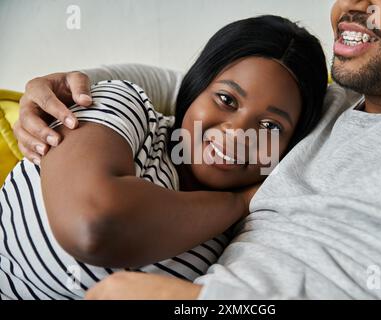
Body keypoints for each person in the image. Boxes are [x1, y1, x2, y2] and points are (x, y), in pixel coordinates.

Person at [13, 0, 381, 300]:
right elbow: (201, 88)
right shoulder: (331, 103)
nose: (352, 4)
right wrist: (69, 85)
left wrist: (208, 300)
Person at [0, 15, 328, 300]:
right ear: (196, 86)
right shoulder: (124, 106)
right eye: (226, 99)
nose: (238, 132)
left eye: (270, 126)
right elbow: (94, 226)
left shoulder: (238, 243)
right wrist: (237, 203)